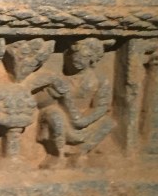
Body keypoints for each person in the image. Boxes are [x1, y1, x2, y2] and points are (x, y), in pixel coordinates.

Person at [37, 38, 115, 168]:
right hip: (63, 118)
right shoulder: (59, 79)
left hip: (85, 120)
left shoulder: (99, 80)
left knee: (107, 122)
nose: (76, 60)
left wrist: (84, 120)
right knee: (54, 115)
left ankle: (79, 153)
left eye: (83, 57)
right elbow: (39, 102)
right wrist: (52, 94)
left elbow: (102, 106)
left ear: (92, 59)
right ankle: (57, 155)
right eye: (75, 56)